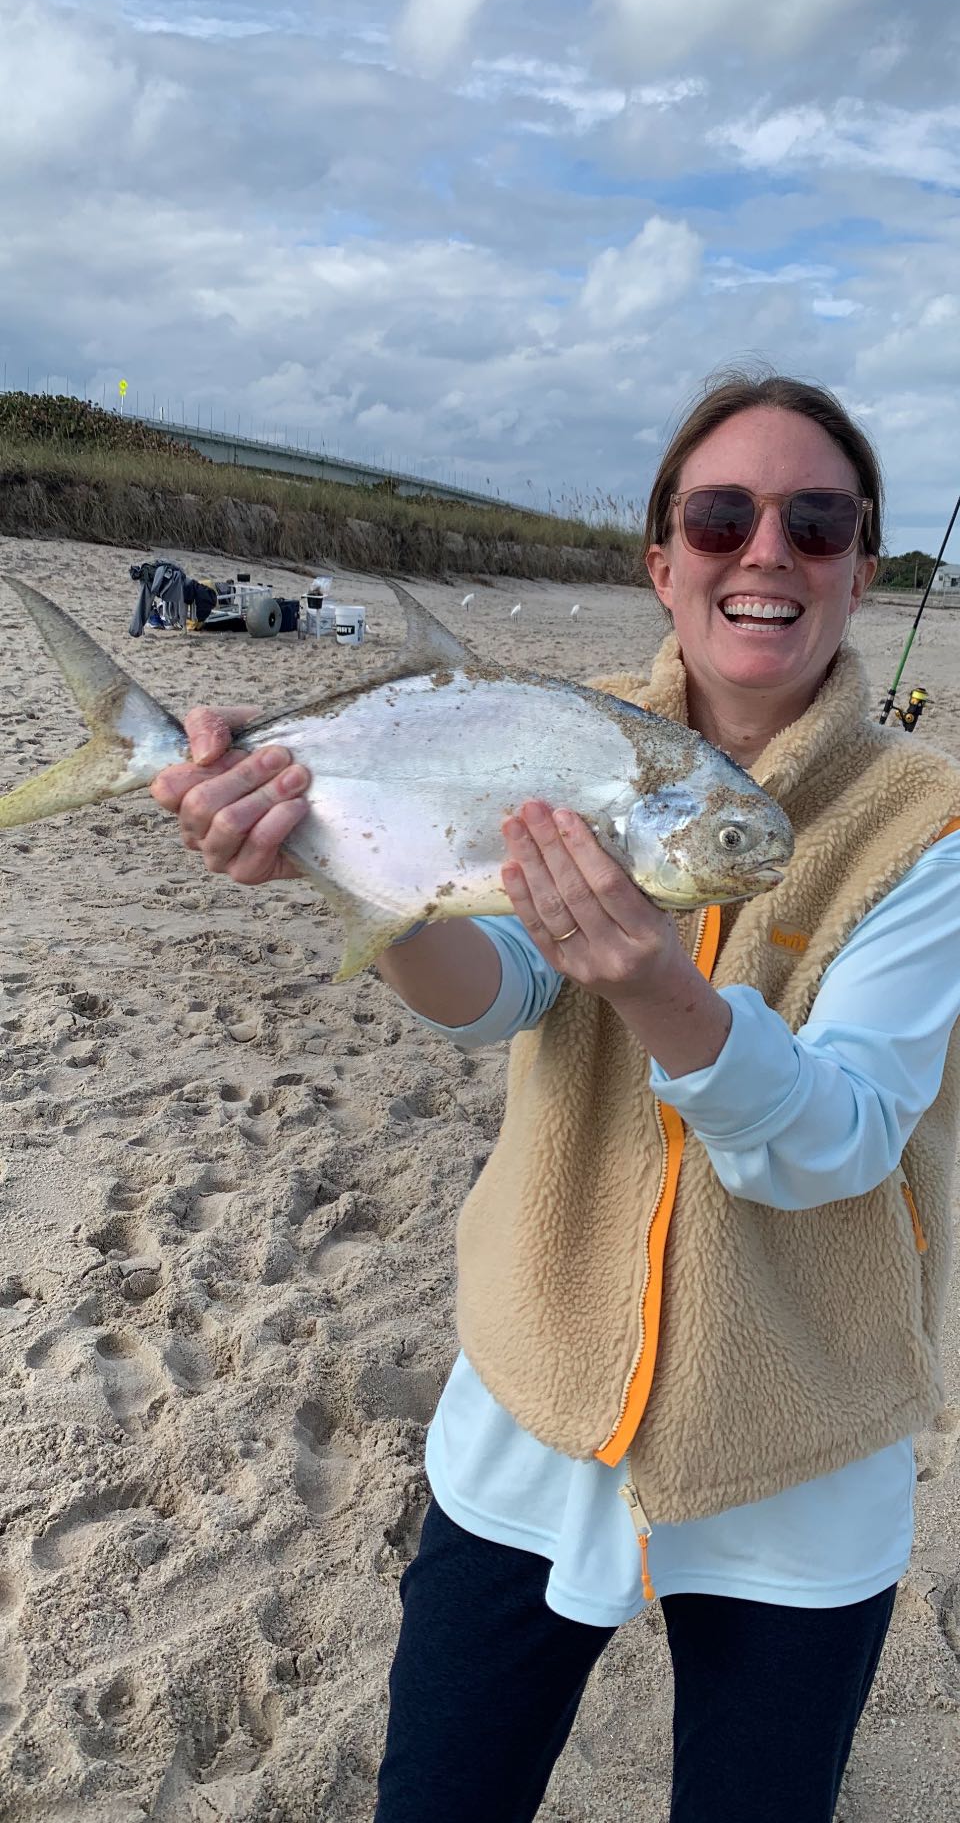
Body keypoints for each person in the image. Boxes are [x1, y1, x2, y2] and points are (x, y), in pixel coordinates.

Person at [151, 372, 960, 1823]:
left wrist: (662, 984)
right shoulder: (559, 744)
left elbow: (843, 1140)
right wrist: (353, 875)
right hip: (529, 1398)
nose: (765, 549)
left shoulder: (930, 823)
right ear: (664, 562)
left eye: (816, 520)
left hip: (800, 1455)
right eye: (721, 515)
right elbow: (503, 991)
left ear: (864, 566)